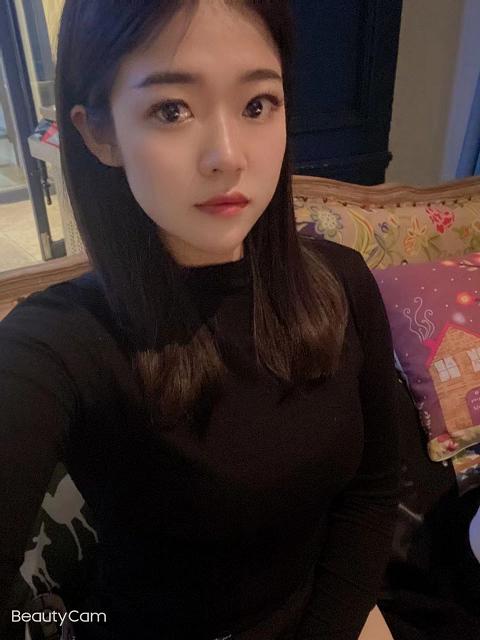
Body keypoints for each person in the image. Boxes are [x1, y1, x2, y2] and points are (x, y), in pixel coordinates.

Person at [0, 1, 401, 638]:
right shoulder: (59, 342)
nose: (227, 156)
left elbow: (375, 490)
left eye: (257, 105)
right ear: (100, 134)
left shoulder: (342, 281)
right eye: (171, 110)